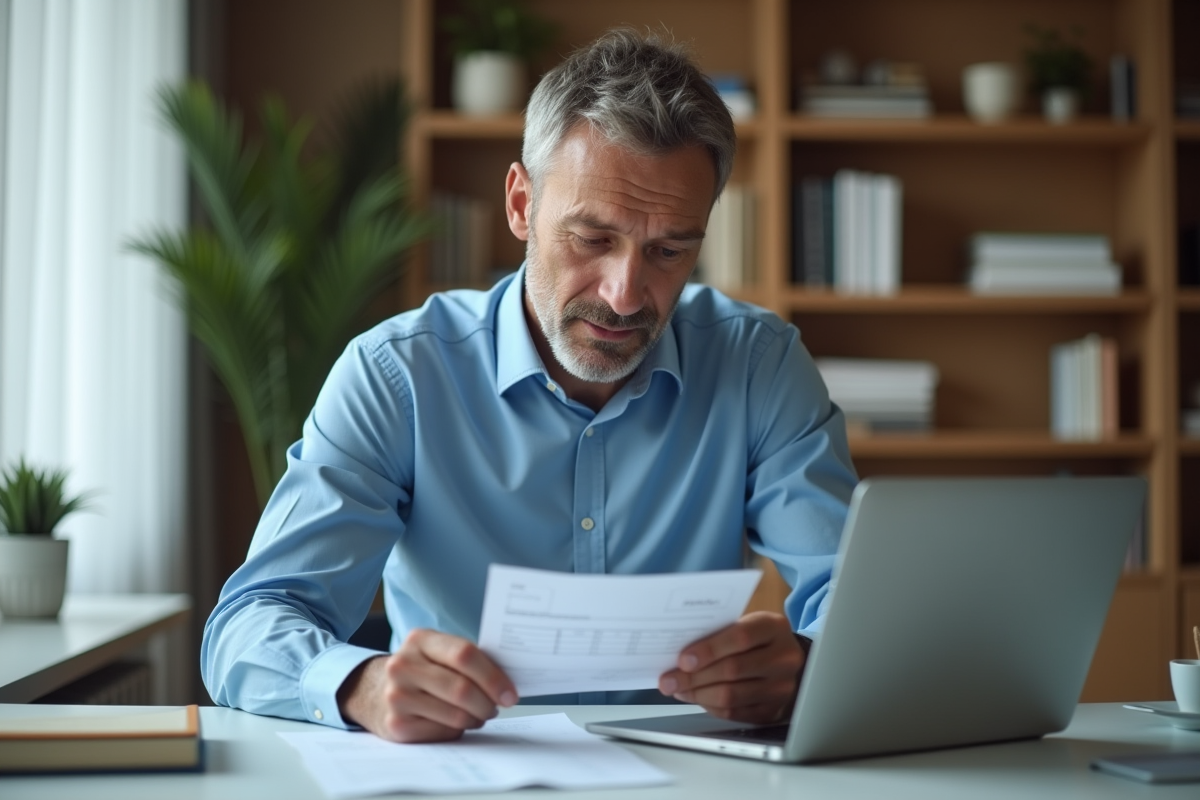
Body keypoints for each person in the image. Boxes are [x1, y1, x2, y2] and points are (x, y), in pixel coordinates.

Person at [201, 29, 857, 744]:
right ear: (521, 204)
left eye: (670, 250)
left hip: (690, 774)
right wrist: (358, 684)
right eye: (591, 238)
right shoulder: (397, 376)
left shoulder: (757, 365)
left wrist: (811, 666)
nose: (626, 293)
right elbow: (250, 623)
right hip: (461, 770)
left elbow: (856, 606)